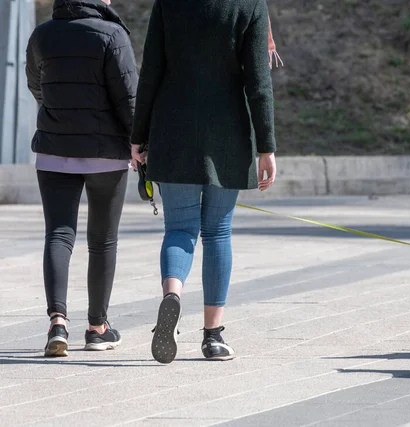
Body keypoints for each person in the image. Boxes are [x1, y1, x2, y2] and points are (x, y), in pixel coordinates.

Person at [130, 0, 279, 363]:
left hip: (173, 129)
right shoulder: (250, 4)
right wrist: (267, 147)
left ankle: (173, 293)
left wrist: (138, 137)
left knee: (179, 229)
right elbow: (258, 81)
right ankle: (213, 336)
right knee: (217, 232)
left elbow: (151, 70)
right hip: (226, 134)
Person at [25, 0, 138, 356]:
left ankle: (57, 322)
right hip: (106, 153)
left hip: (54, 149)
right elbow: (128, 96)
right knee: (102, 241)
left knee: (59, 234)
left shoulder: (43, 34)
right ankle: (97, 327)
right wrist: (139, 143)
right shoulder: (112, 34)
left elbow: (36, 84)